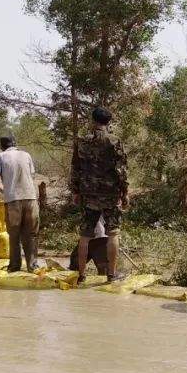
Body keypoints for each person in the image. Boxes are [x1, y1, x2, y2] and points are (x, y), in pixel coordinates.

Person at [70, 107, 128, 283]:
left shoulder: (81, 141)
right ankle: (111, 274)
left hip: (88, 194)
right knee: (113, 233)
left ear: (92, 120)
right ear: (108, 122)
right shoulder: (114, 141)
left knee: (85, 235)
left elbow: (75, 168)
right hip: (110, 194)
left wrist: (76, 191)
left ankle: (81, 275)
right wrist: (124, 192)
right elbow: (122, 171)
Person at [0, 135, 39, 273]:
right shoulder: (26, 155)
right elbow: (31, 174)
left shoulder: (0, 156)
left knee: (14, 235)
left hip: (12, 200)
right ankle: (33, 266)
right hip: (31, 198)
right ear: (15, 144)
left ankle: (15, 266)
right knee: (31, 234)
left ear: (1, 146)